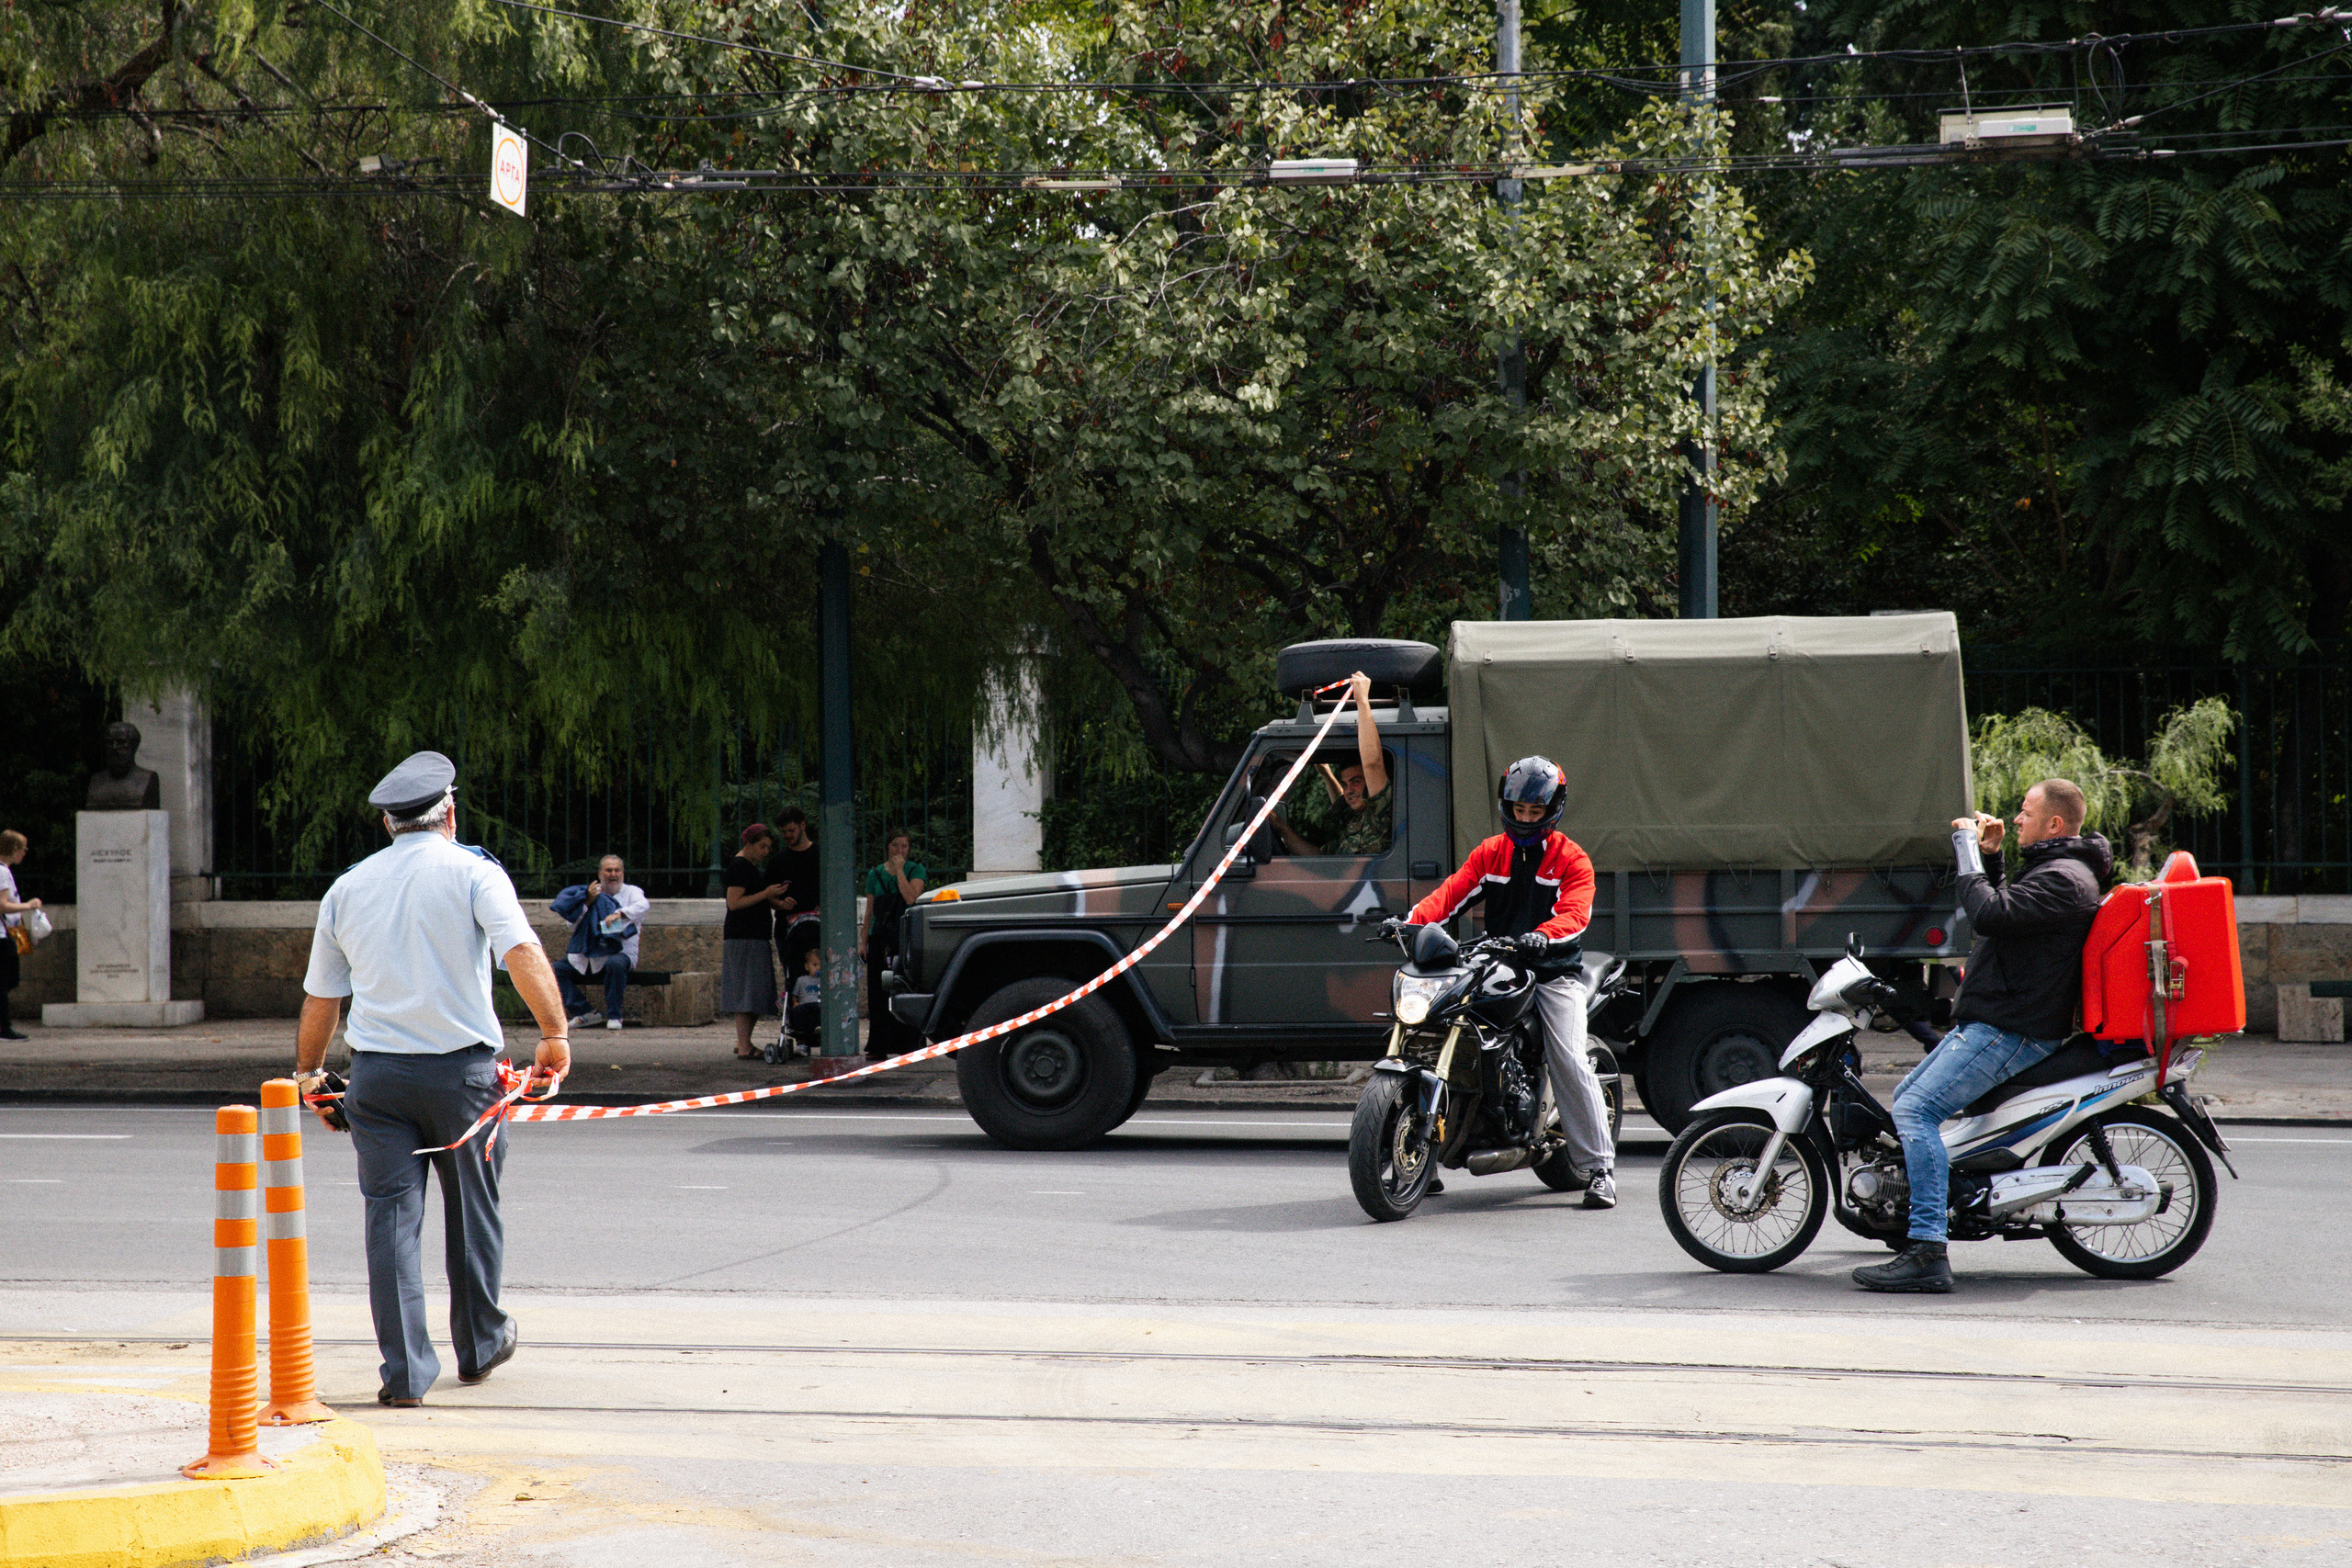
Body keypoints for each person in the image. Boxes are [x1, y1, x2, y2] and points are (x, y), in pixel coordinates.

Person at [293, 751, 570, 1406]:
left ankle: (406, 1374)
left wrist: (308, 1073)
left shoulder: (347, 888)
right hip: (464, 1079)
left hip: (378, 1081)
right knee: (473, 1208)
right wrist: (554, 1034)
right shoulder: (474, 873)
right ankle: (478, 1344)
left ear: (388, 823)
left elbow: (322, 999)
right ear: (450, 813)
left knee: (390, 1221)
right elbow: (522, 953)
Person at [1854, 777, 2113, 1294]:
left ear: (2054, 824)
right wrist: (1992, 858)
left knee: (1914, 1112)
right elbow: (2009, 915)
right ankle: (1920, 1213)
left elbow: (1989, 914)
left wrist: (1966, 847)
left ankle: (1927, 1250)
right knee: (1907, 1097)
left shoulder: (2065, 877)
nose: (2016, 819)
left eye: (2025, 811)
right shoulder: (2059, 871)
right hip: (2000, 1019)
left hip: (2010, 1027)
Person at [1406, 756, 1616, 1209]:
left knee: (1568, 1059)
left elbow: (1575, 914)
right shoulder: (1490, 852)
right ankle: (1425, 1150)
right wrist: (1408, 923)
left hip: (1553, 973)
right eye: (1518, 811)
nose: (1523, 819)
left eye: (1533, 813)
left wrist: (1543, 936)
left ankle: (1600, 1168)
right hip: (1499, 963)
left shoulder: (1572, 860)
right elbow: (1450, 894)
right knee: (1441, 1025)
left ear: (1552, 810)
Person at [1272, 671, 1391, 856]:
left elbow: (1372, 764)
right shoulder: (1356, 819)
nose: (1349, 790)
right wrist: (1282, 829)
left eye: (1356, 781)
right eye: (1345, 784)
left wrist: (1362, 702)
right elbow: (1319, 858)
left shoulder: (1381, 813)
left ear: (1371, 782)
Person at [550, 854, 648, 1031]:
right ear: (600, 873)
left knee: (615, 963)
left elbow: (643, 907)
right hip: (590, 953)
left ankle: (615, 1016)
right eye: (608, 870)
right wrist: (588, 901)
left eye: (617, 870)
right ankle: (585, 1012)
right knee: (554, 970)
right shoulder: (592, 893)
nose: (613, 874)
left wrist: (619, 914)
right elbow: (571, 924)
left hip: (622, 953)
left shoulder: (632, 892)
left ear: (623, 873)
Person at [721, 824, 789, 1060]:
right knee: (746, 992)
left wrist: (777, 902)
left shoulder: (749, 867)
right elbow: (735, 902)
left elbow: (754, 898)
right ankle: (744, 1044)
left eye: (769, 847)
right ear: (748, 843)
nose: (765, 851)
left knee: (755, 991)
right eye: (762, 846)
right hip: (743, 936)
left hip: (755, 936)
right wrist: (767, 892)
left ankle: (744, 1042)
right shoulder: (739, 866)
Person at [858, 829, 926, 1061]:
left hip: (905, 937)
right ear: (888, 847)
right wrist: (863, 940)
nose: (900, 851)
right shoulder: (874, 874)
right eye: (896, 846)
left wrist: (899, 871)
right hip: (880, 937)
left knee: (905, 986)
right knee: (878, 990)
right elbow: (870, 911)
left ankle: (907, 1042)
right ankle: (878, 1044)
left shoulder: (915, 870)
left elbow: (910, 898)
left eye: (904, 846)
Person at [769, 807, 822, 980]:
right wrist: (780, 904)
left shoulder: (821, 855)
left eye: (791, 831)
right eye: (783, 832)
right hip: (788, 931)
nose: (788, 836)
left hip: (818, 929)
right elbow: (768, 895)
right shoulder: (778, 860)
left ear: (803, 825)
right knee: (793, 977)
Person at [0, 830, 37, 1042]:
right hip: (2, 936)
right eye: (23, 848)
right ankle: (5, 1028)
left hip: (5, 935)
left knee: (8, 981)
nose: (25, 852)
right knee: (6, 981)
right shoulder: (3, 872)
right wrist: (28, 906)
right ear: (14, 849)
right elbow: (2, 905)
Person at [786, 945, 822, 1056]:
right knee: (799, 1011)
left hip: (819, 1005)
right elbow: (795, 995)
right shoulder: (802, 980)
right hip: (805, 1006)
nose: (818, 968)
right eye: (815, 965)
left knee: (821, 1009)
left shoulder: (825, 979)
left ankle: (819, 1029)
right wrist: (795, 1002)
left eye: (821, 965)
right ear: (807, 966)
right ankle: (802, 1043)